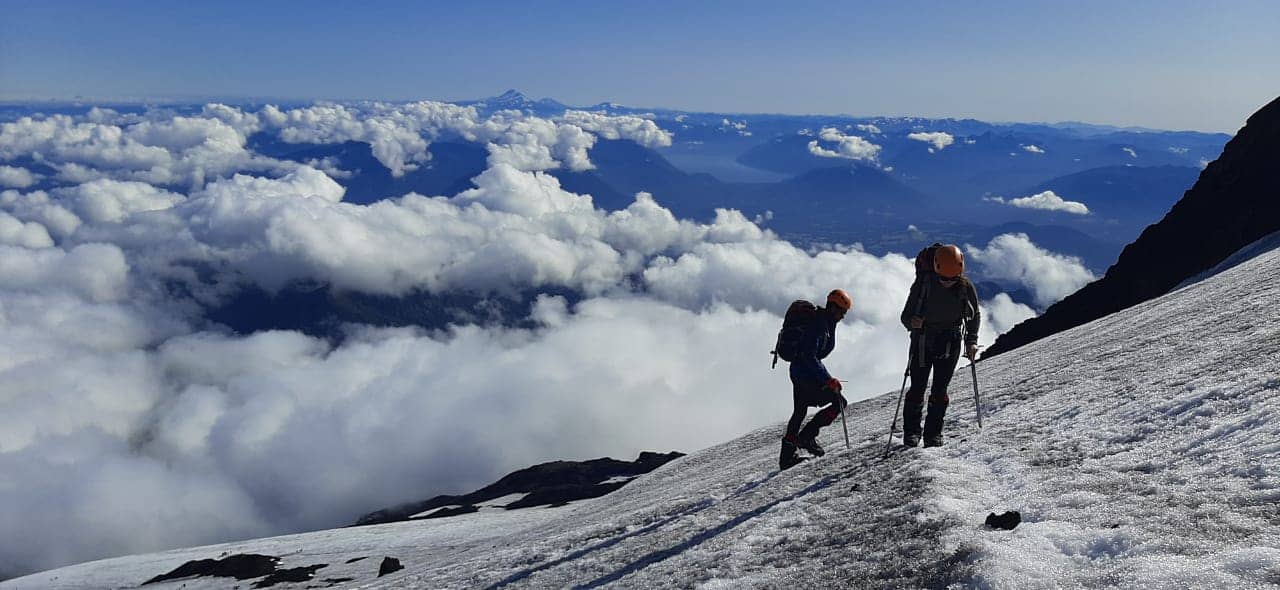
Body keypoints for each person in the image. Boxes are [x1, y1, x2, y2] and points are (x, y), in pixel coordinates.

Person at [899, 244, 980, 448]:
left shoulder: (965, 286)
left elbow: (974, 315)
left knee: (939, 390)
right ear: (935, 268)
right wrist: (912, 322)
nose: (947, 282)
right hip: (923, 341)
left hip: (949, 343)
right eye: (944, 278)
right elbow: (905, 316)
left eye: (952, 279)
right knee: (917, 388)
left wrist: (971, 341)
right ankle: (912, 433)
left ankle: (932, 434)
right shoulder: (923, 284)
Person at [780, 289, 852, 470]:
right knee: (839, 402)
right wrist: (827, 379)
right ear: (833, 307)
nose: (842, 316)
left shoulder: (822, 322)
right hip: (806, 374)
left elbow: (810, 356)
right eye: (841, 311)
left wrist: (827, 378)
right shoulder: (819, 325)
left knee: (799, 412)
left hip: (798, 372)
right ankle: (807, 437)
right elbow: (809, 355)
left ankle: (786, 457)